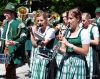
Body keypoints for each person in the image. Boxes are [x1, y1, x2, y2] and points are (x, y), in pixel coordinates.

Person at [55, 8, 90, 79]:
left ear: (77, 19)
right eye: (68, 18)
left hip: (78, 63)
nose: (68, 21)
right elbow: (64, 51)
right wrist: (58, 49)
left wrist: (69, 44)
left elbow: (85, 52)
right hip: (66, 63)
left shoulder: (84, 32)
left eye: (71, 18)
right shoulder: (66, 32)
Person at [0, 2, 28, 79]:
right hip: (5, 49)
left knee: (10, 68)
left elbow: (24, 36)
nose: (4, 14)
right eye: (4, 12)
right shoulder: (6, 23)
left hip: (13, 49)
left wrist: (14, 42)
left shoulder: (19, 23)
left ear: (12, 13)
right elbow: (4, 36)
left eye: (7, 13)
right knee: (8, 69)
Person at [30, 10, 55, 79]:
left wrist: (35, 32)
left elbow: (43, 43)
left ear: (46, 20)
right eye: (38, 21)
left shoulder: (51, 30)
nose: (39, 22)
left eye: (41, 20)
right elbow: (34, 45)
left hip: (46, 59)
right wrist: (32, 33)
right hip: (38, 58)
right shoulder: (39, 30)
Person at [82, 12, 99, 79]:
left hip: (91, 52)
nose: (82, 22)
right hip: (82, 51)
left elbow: (96, 42)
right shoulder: (81, 28)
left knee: (91, 73)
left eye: (84, 20)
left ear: (88, 20)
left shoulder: (94, 28)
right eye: (81, 20)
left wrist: (85, 40)